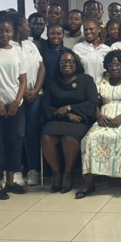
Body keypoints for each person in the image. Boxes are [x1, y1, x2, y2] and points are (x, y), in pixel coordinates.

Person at [79, 50, 121, 199]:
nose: (114, 68)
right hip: (105, 118)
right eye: (110, 65)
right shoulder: (100, 82)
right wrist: (99, 116)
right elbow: (94, 102)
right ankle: (89, 182)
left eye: (117, 64)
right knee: (90, 138)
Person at [0, 15, 27, 200]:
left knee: (12, 143)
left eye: (8, 31)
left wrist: (17, 102)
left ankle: (10, 182)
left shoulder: (17, 51)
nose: (4, 34)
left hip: (14, 106)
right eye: (0, 30)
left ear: (13, 32)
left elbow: (23, 80)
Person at [41, 52, 98, 193]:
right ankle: (56, 173)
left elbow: (92, 102)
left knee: (69, 139)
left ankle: (68, 173)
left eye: (70, 62)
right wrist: (66, 114)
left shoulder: (86, 80)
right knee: (46, 138)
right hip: (57, 119)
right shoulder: (52, 82)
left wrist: (69, 108)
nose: (67, 65)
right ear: (59, 65)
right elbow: (46, 106)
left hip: (79, 120)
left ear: (76, 64)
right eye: (63, 62)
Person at [14, 15, 45, 188]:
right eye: (27, 25)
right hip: (15, 97)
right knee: (17, 134)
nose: (29, 29)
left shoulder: (31, 45)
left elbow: (41, 68)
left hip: (34, 95)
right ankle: (15, 169)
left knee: (32, 133)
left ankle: (33, 169)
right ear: (20, 28)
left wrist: (36, 89)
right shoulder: (8, 46)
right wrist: (22, 91)